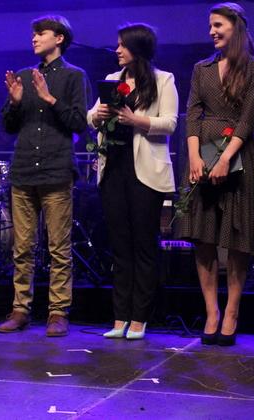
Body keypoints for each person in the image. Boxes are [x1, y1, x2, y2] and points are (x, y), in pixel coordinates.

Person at [178, 3, 254, 346]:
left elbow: (248, 119)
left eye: (218, 25)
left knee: (237, 237)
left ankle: (231, 311)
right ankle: (211, 312)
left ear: (236, 26)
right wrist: (194, 157)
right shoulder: (201, 68)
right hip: (202, 153)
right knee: (203, 237)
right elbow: (192, 114)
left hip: (238, 154)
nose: (212, 31)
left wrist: (225, 158)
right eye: (210, 26)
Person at [0, 15, 88, 337]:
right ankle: (20, 309)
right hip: (24, 171)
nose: (34, 38)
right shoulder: (24, 76)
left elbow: (79, 123)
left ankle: (58, 312)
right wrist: (14, 103)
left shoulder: (74, 76)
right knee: (22, 248)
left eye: (41, 33)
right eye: (33, 33)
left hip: (56, 171)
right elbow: (8, 127)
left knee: (59, 248)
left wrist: (50, 99)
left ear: (59, 38)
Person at [88, 23, 178, 340]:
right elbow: (90, 117)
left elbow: (170, 123)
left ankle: (140, 317)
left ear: (137, 48)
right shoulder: (112, 79)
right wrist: (98, 115)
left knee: (144, 245)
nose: (117, 50)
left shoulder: (163, 80)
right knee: (120, 245)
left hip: (145, 172)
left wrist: (135, 120)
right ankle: (120, 317)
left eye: (122, 45)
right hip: (113, 168)